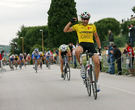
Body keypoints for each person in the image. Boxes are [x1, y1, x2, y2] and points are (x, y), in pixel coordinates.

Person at [64, 12, 101, 92]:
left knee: (97, 62)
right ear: (81, 19)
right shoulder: (78, 26)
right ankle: (82, 68)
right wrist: (71, 22)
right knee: (76, 50)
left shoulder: (92, 26)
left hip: (91, 45)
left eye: (86, 19)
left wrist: (100, 47)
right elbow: (65, 30)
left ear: (88, 19)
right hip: (82, 44)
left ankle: (96, 82)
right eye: (83, 19)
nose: (85, 21)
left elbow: (97, 37)